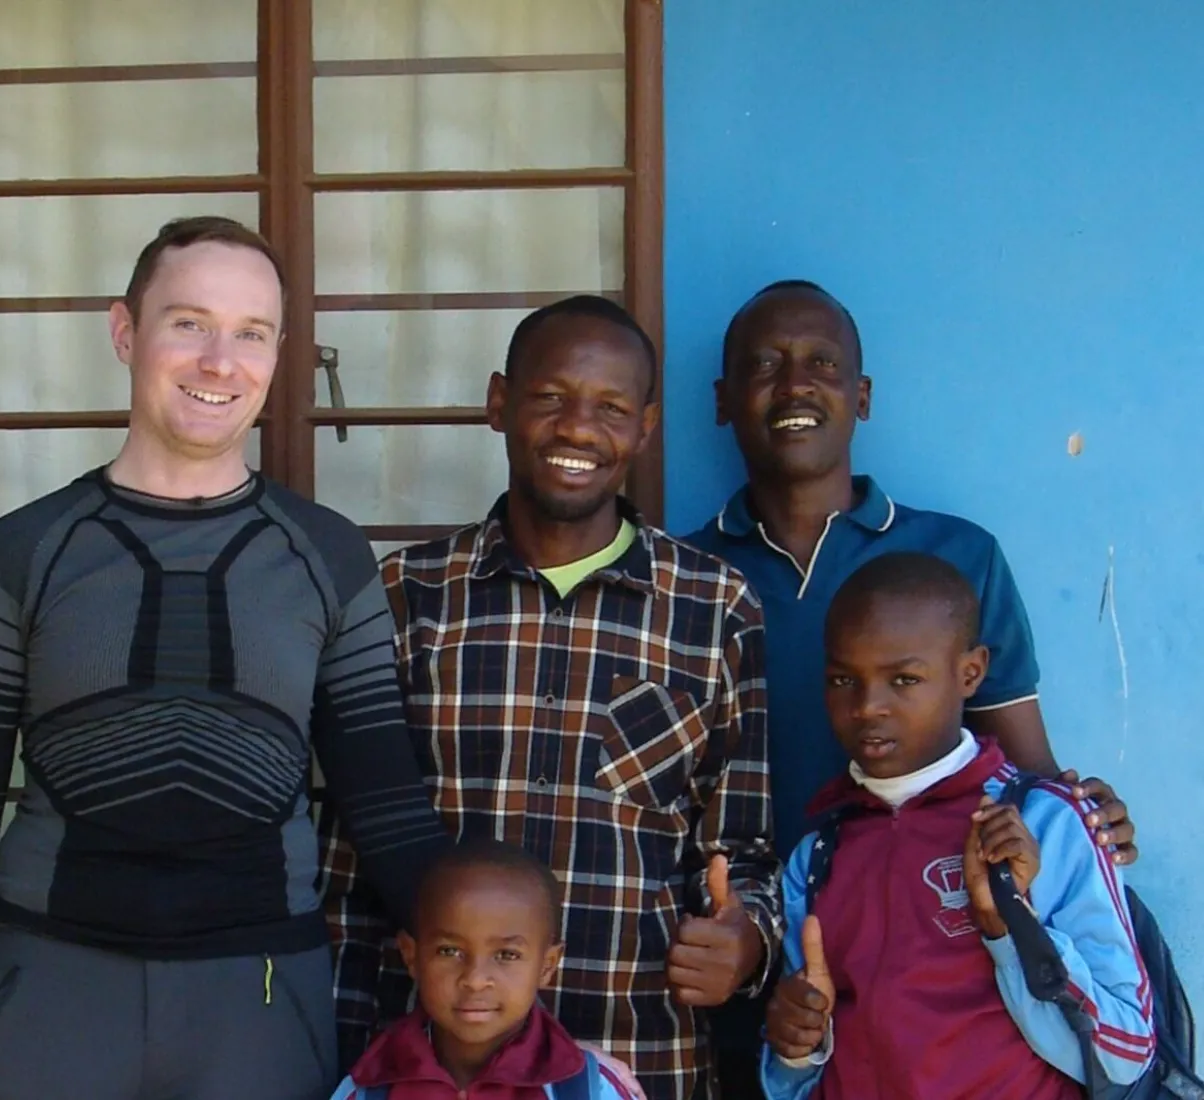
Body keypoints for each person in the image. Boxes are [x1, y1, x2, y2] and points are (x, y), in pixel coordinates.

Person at [0, 216, 451, 1100]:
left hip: (264, 1001)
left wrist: (514, 1021)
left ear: (277, 356)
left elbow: (389, 817)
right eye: (188, 322)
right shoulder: (19, 553)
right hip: (49, 989)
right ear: (126, 332)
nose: (219, 360)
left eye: (252, 333)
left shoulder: (330, 560)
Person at [320, 295, 781, 1100]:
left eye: (609, 408)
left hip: (638, 1057)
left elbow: (741, 851)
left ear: (644, 427)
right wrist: (345, 1055)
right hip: (428, 1075)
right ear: (499, 404)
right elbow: (346, 861)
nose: (577, 429)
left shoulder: (714, 608)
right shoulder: (408, 597)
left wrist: (748, 943)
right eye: (550, 398)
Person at [684, 280, 1137, 1097]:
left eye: (822, 364)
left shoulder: (956, 556)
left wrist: (1085, 823)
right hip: (765, 958)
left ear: (861, 396)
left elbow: (1026, 774)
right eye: (764, 365)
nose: (795, 385)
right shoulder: (682, 576)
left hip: (960, 979)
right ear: (722, 401)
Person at [759, 552, 1153, 1098]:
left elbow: (1124, 1054)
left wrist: (1010, 924)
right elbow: (797, 1080)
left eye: (904, 678)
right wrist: (794, 1049)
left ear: (970, 673)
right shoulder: (818, 857)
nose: (869, 706)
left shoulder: (1045, 823)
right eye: (844, 679)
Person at [328, 840, 636, 1100]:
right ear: (412, 956)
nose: (475, 980)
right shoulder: (369, 1088)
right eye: (450, 951)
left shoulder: (588, 1088)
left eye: (506, 954)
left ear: (547, 966)